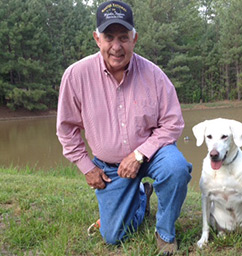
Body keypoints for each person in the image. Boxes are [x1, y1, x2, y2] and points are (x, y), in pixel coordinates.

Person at [56, 0, 192, 254]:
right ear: (97, 39)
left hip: (152, 155)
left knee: (176, 168)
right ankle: (143, 195)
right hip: (109, 167)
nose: (116, 47)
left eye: (123, 37)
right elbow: (66, 129)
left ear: (135, 38)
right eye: (109, 37)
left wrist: (139, 154)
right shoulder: (75, 76)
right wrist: (87, 167)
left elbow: (173, 123)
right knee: (113, 236)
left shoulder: (154, 74)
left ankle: (164, 232)